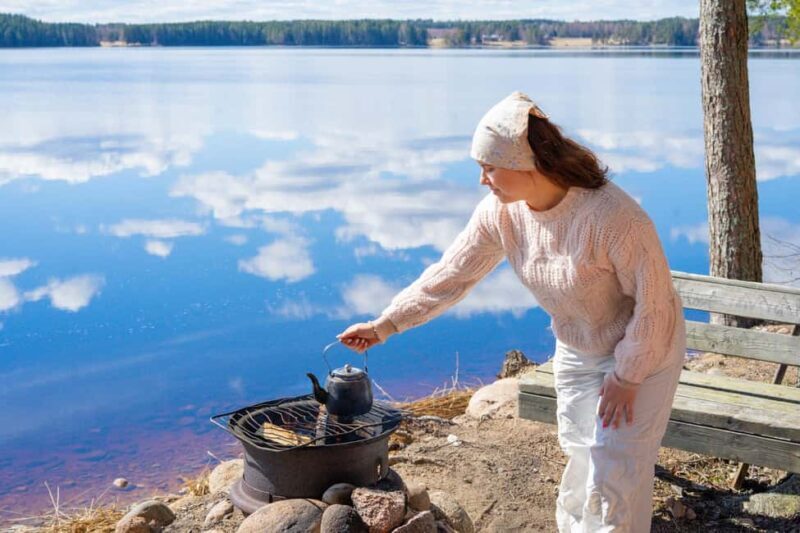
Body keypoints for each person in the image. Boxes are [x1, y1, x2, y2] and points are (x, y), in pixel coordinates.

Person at [337, 91, 685, 532]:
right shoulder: (501, 214)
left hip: (644, 347)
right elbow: (452, 275)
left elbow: (655, 305)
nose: (482, 180)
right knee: (581, 452)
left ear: (526, 164)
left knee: (617, 467)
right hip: (579, 346)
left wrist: (629, 375)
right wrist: (385, 324)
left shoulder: (613, 218)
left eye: (489, 167)